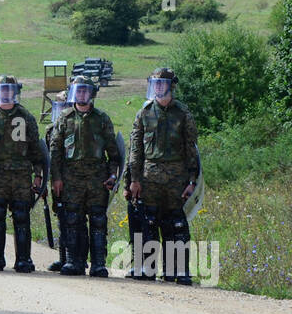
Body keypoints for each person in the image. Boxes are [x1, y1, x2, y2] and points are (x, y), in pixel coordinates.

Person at [126, 67, 199, 284]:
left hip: (177, 179)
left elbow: (192, 149)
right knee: (147, 223)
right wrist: (134, 180)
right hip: (149, 178)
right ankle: (147, 268)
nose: (158, 88)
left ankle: (177, 271)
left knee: (175, 224)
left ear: (171, 86)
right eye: (155, 84)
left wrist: (193, 181)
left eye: (162, 84)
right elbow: (135, 150)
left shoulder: (183, 114)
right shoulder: (144, 113)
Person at [48, 76, 121, 276]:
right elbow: (55, 152)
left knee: (98, 221)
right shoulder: (64, 118)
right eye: (78, 91)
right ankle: (74, 262)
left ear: (92, 94)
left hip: (97, 180)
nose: (81, 95)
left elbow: (114, 154)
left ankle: (98, 263)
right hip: (71, 181)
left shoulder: (102, 119)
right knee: (73, 221)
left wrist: (113, 176)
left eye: (85, 91)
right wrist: (56, 179)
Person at [0, 76, 43, 272]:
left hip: (21, 176)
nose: (6, 93)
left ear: (15, 91)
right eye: (2, 90)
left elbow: (36, 150)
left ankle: (23, 260)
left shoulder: (26, 117)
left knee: (22, 217)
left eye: (9, 90)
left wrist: (37, 176)